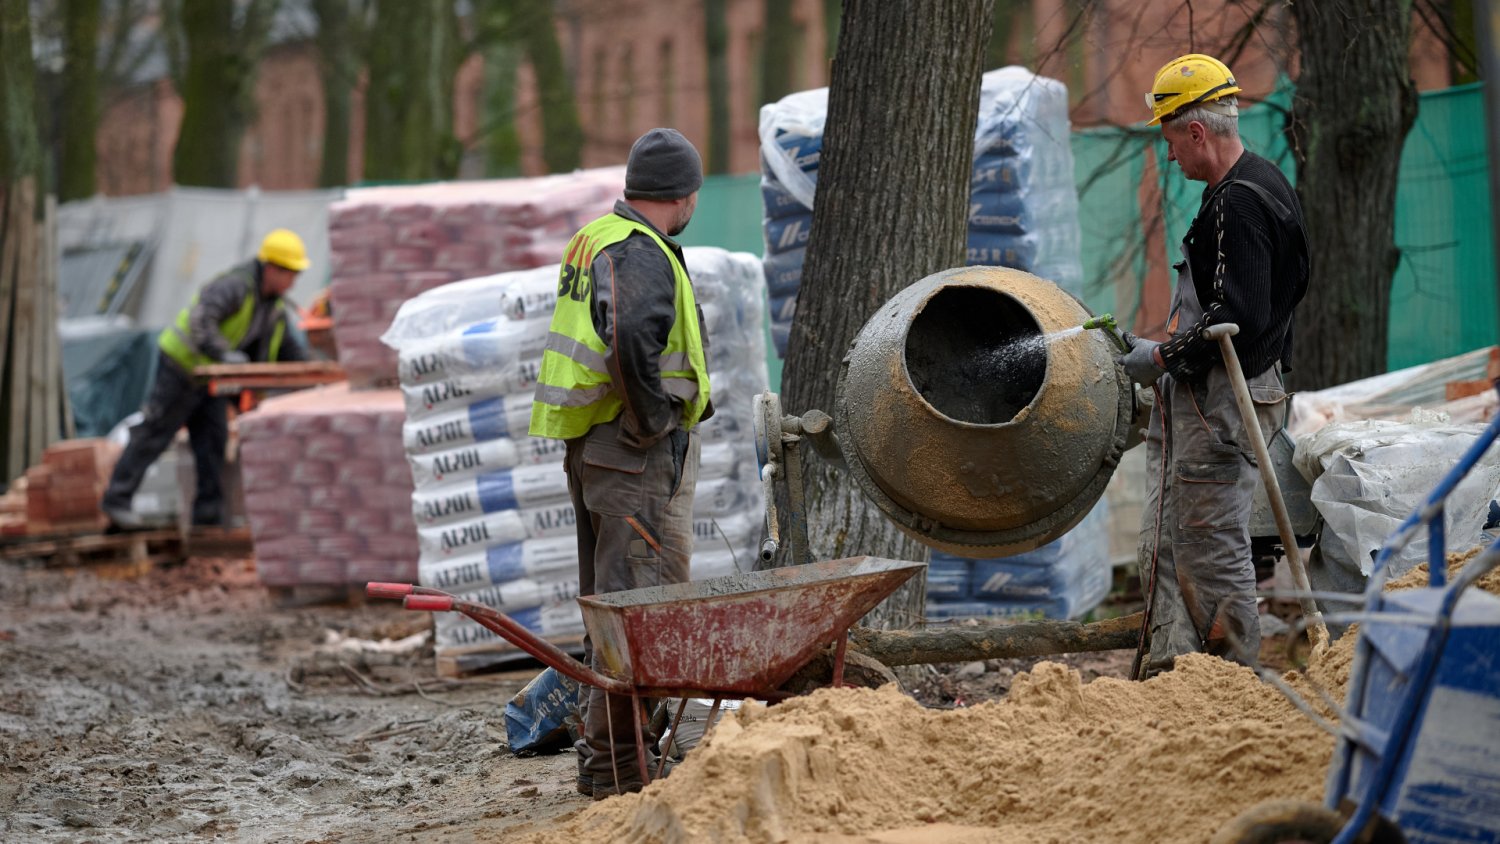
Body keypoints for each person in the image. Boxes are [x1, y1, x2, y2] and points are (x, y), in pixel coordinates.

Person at [529, 127, 712, 800]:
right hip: (631, 457)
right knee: (640, 612)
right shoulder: (640, 252)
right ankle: (617, 774)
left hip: (596, 452)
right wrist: (654, 418)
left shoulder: (598, 237)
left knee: (611, 610)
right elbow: (630, 334)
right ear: (684, 194)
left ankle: (618, 760)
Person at [1119, 54, 1309, 676]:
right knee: (1191, 541)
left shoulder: (1238, 204)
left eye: (1170, 139)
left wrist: (1162, 355)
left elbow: (1238, 316)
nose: (1169, 156)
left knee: (1210, 548)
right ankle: (1184, 671)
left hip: (1224, 398)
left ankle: (1229, 680)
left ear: (1195, 131)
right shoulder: (1266, 181)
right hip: (1241, 387)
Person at [101, 229, 311, 530]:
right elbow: (202, 320)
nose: (294, 282)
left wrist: (318, 372)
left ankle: (207, 519)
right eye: (291, 273)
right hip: (182, 367)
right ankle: (117, 501)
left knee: (212, 442)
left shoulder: (272, 308)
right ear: (272, 268)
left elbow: (289, 351)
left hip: (210, 380)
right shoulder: (234, 286)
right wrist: (225, 355)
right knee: (155, 431)